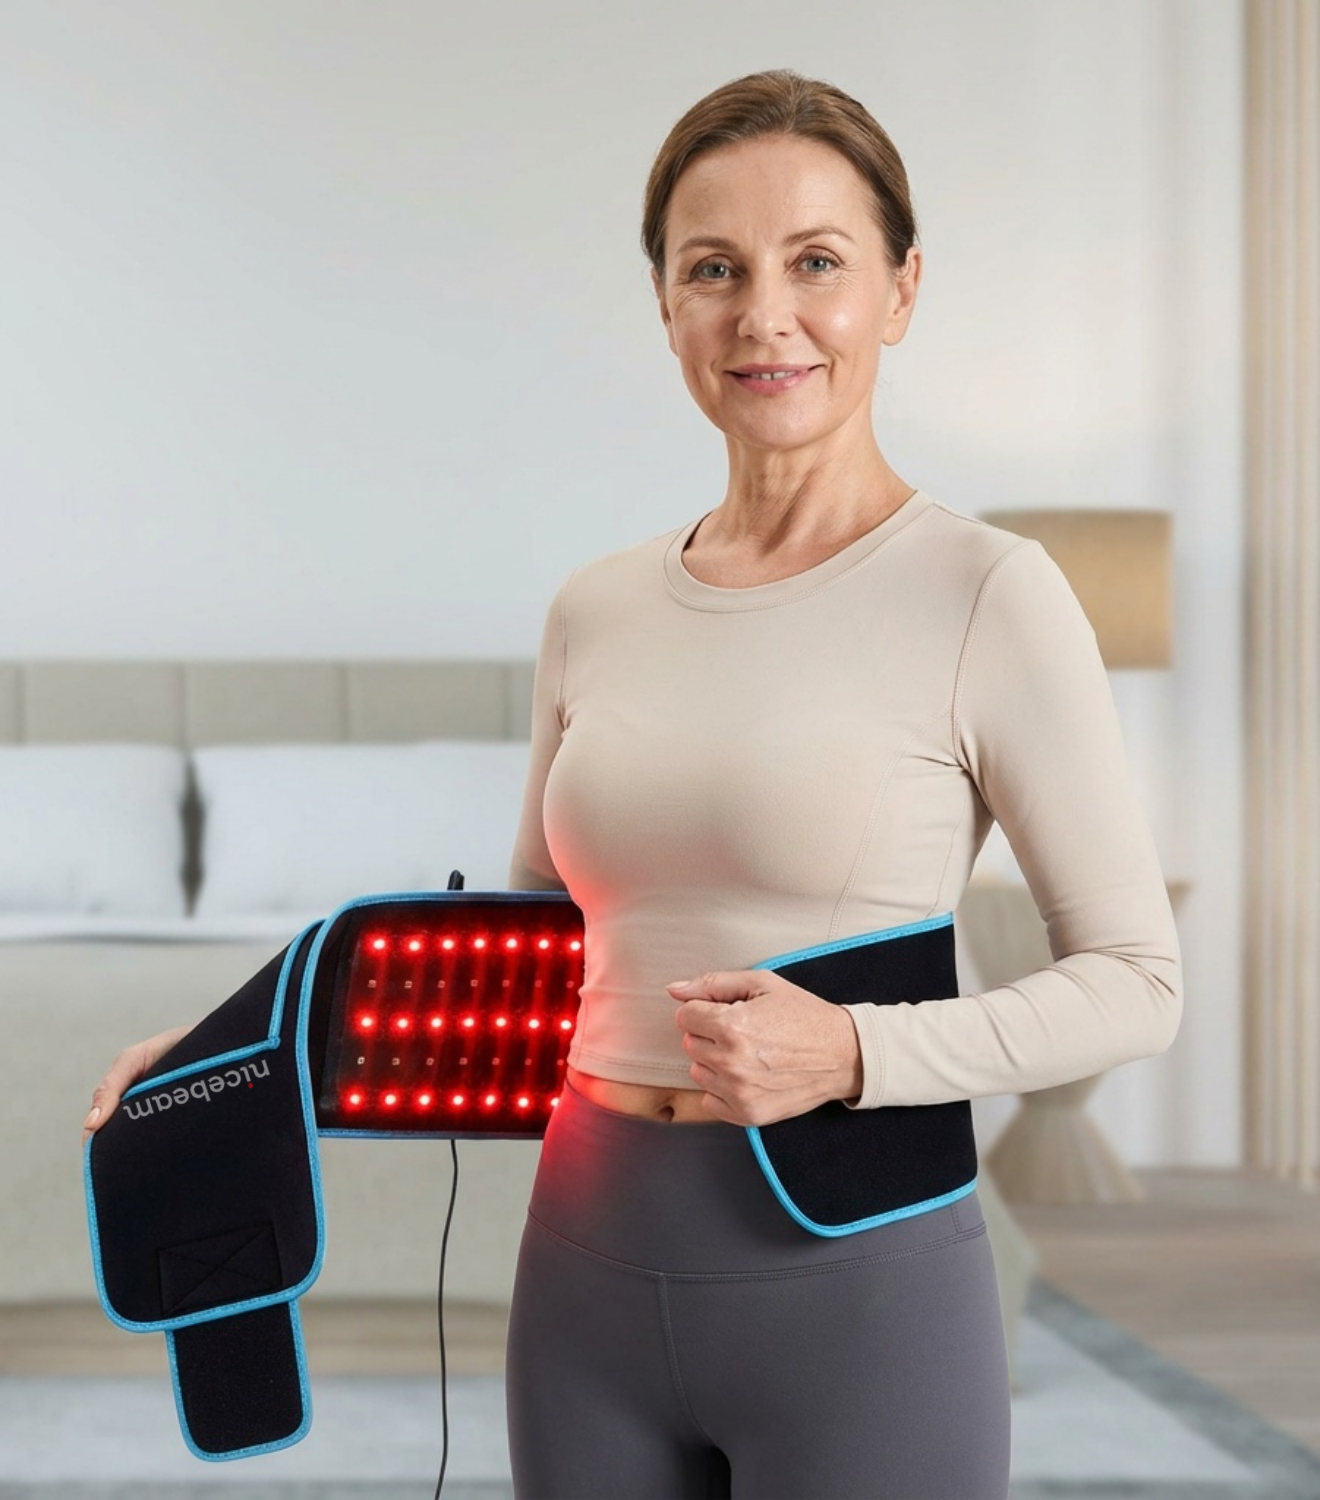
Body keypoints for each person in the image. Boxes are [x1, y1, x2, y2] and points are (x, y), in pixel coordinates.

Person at [83, 68, 1183, 1500]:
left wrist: (858, 1055)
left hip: (857, 1289)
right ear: (665, 303)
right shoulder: (596, 609)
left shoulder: (988, 594)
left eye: (817, 264)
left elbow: (1137, 980)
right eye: (712, 268)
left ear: (901, 292)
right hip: (588, 1271)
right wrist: (230, 1058)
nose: (763, 314)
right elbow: (524, 964)